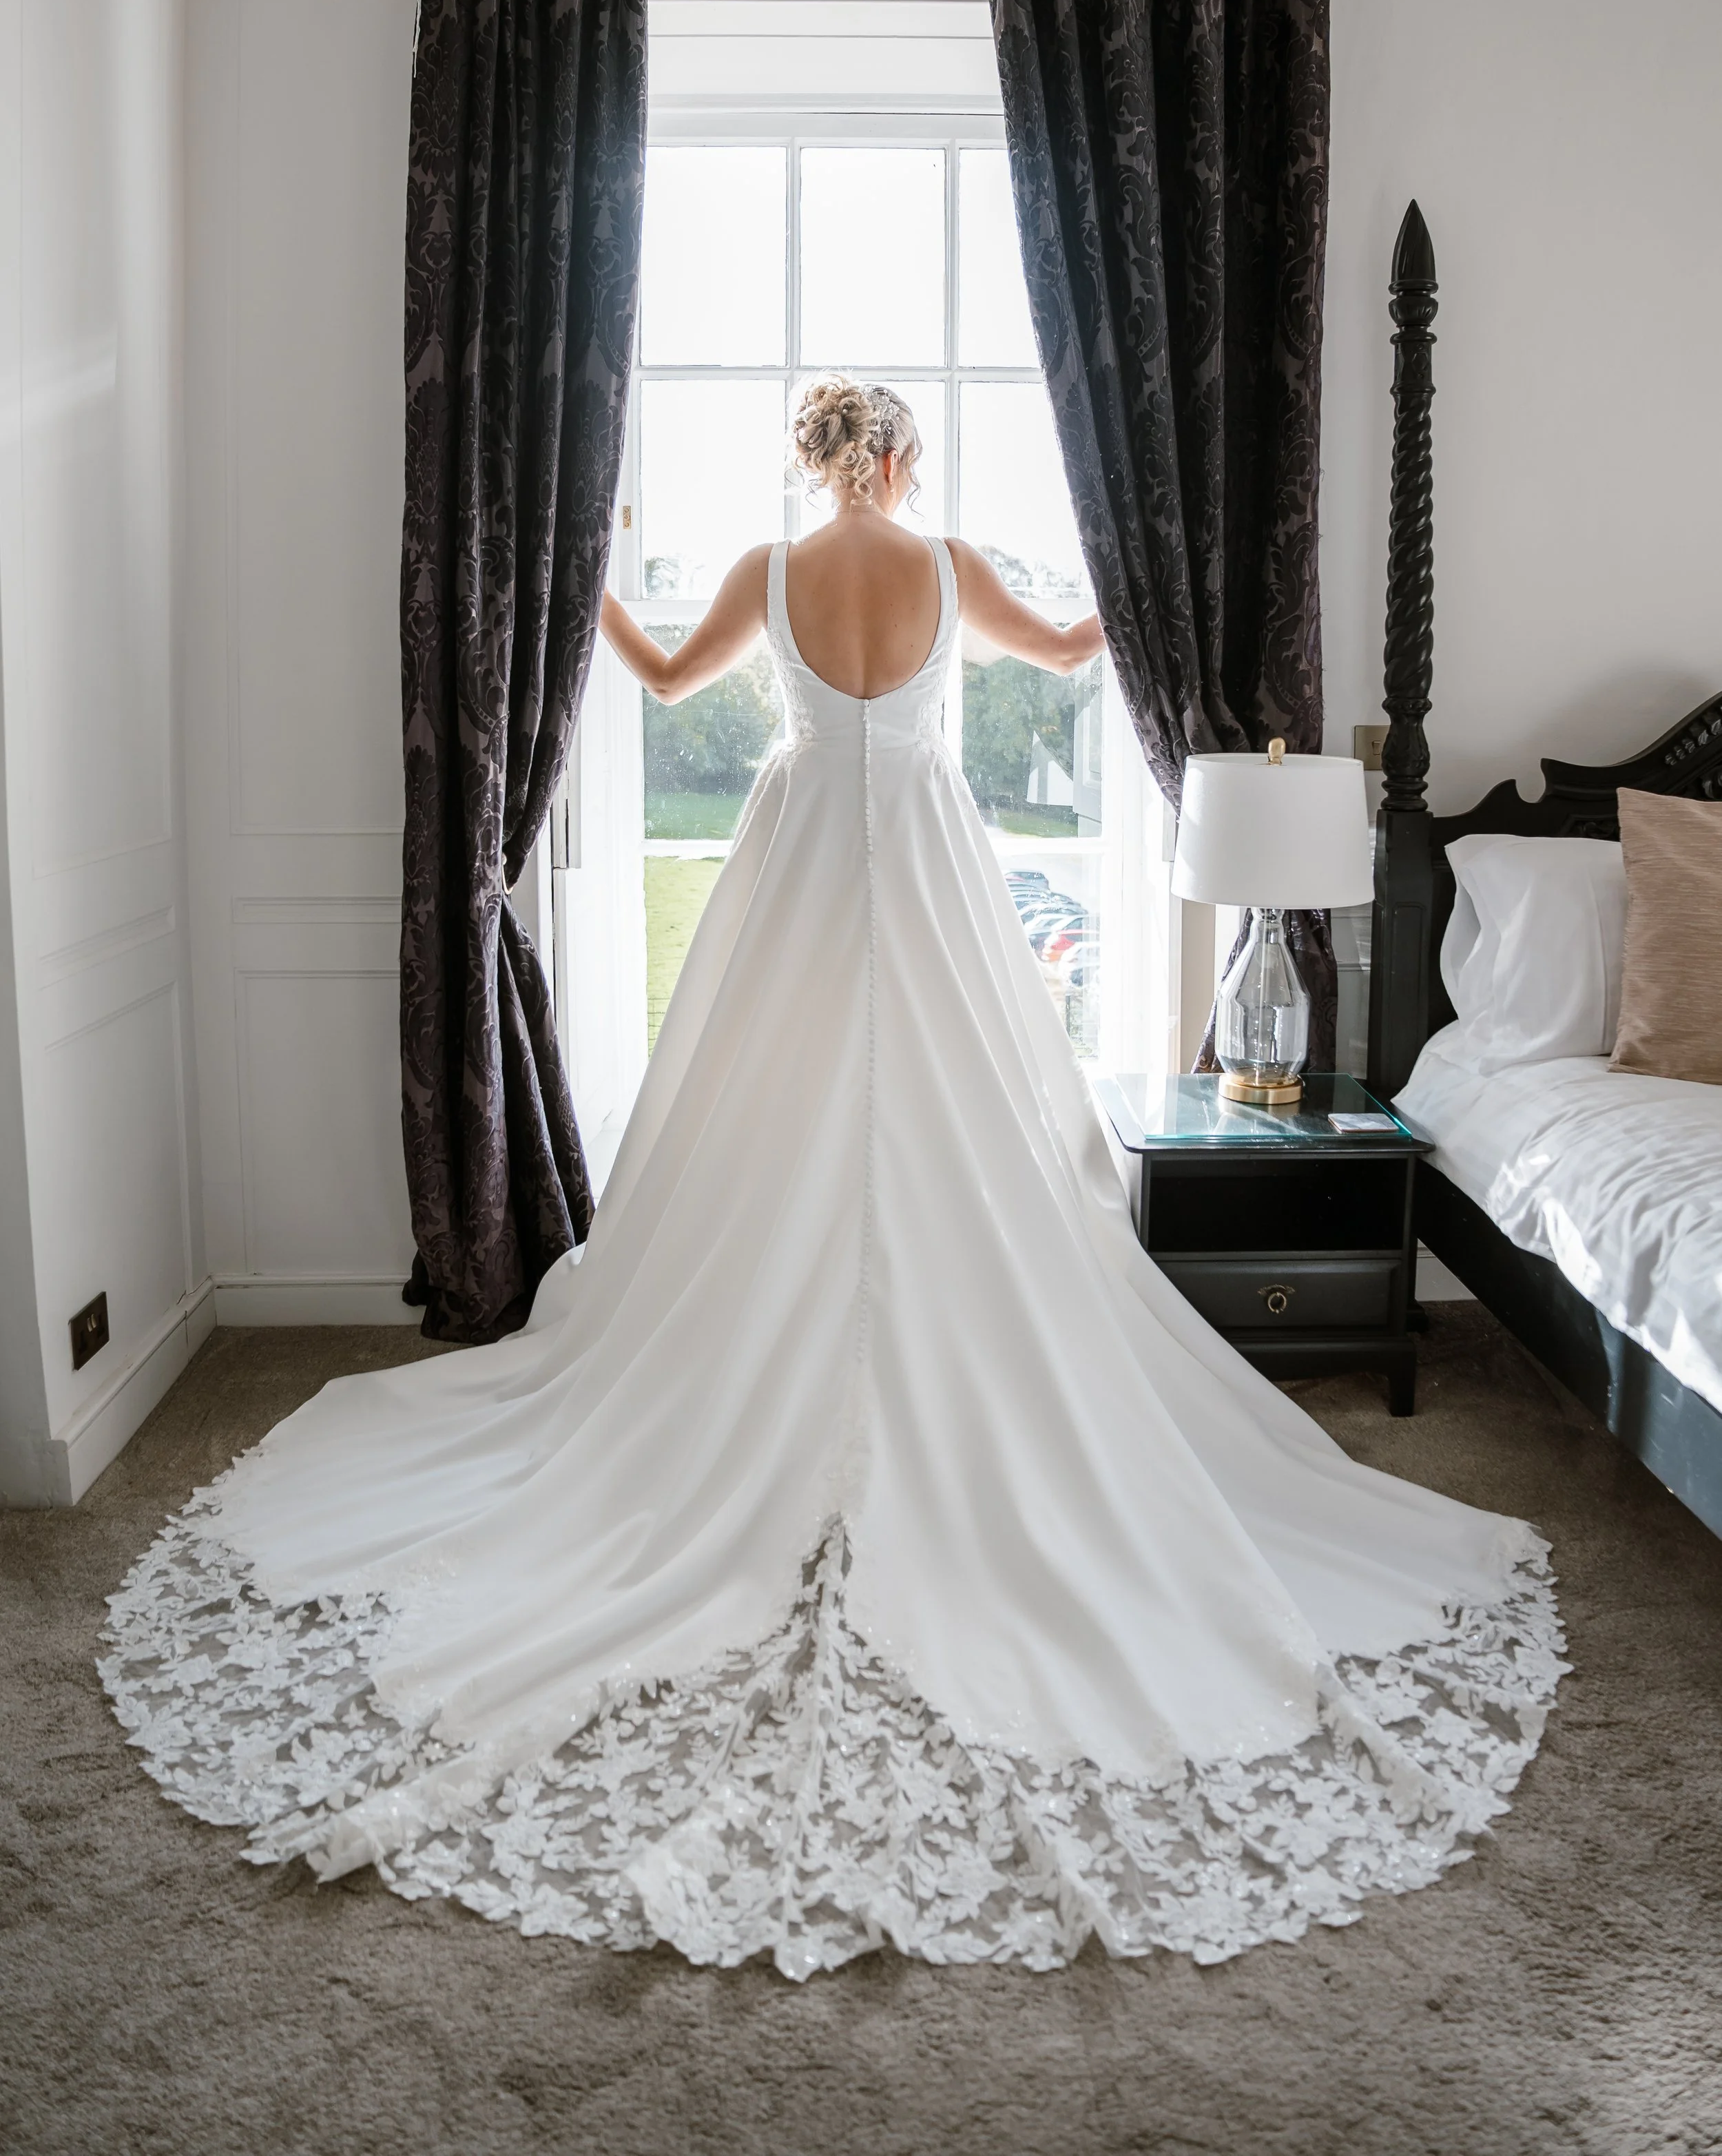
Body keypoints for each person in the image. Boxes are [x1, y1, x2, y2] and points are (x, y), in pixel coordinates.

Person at [103, 377, 1563, 1980]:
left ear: (810, 461)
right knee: (969, 1124)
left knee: (759, 1111)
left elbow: (658, 678)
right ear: (905, 455)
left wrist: (586, 575)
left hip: (796, 860)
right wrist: (1087, 572)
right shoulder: (943, 564)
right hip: (928, 864)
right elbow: (1082, 655)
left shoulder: (762, 569)